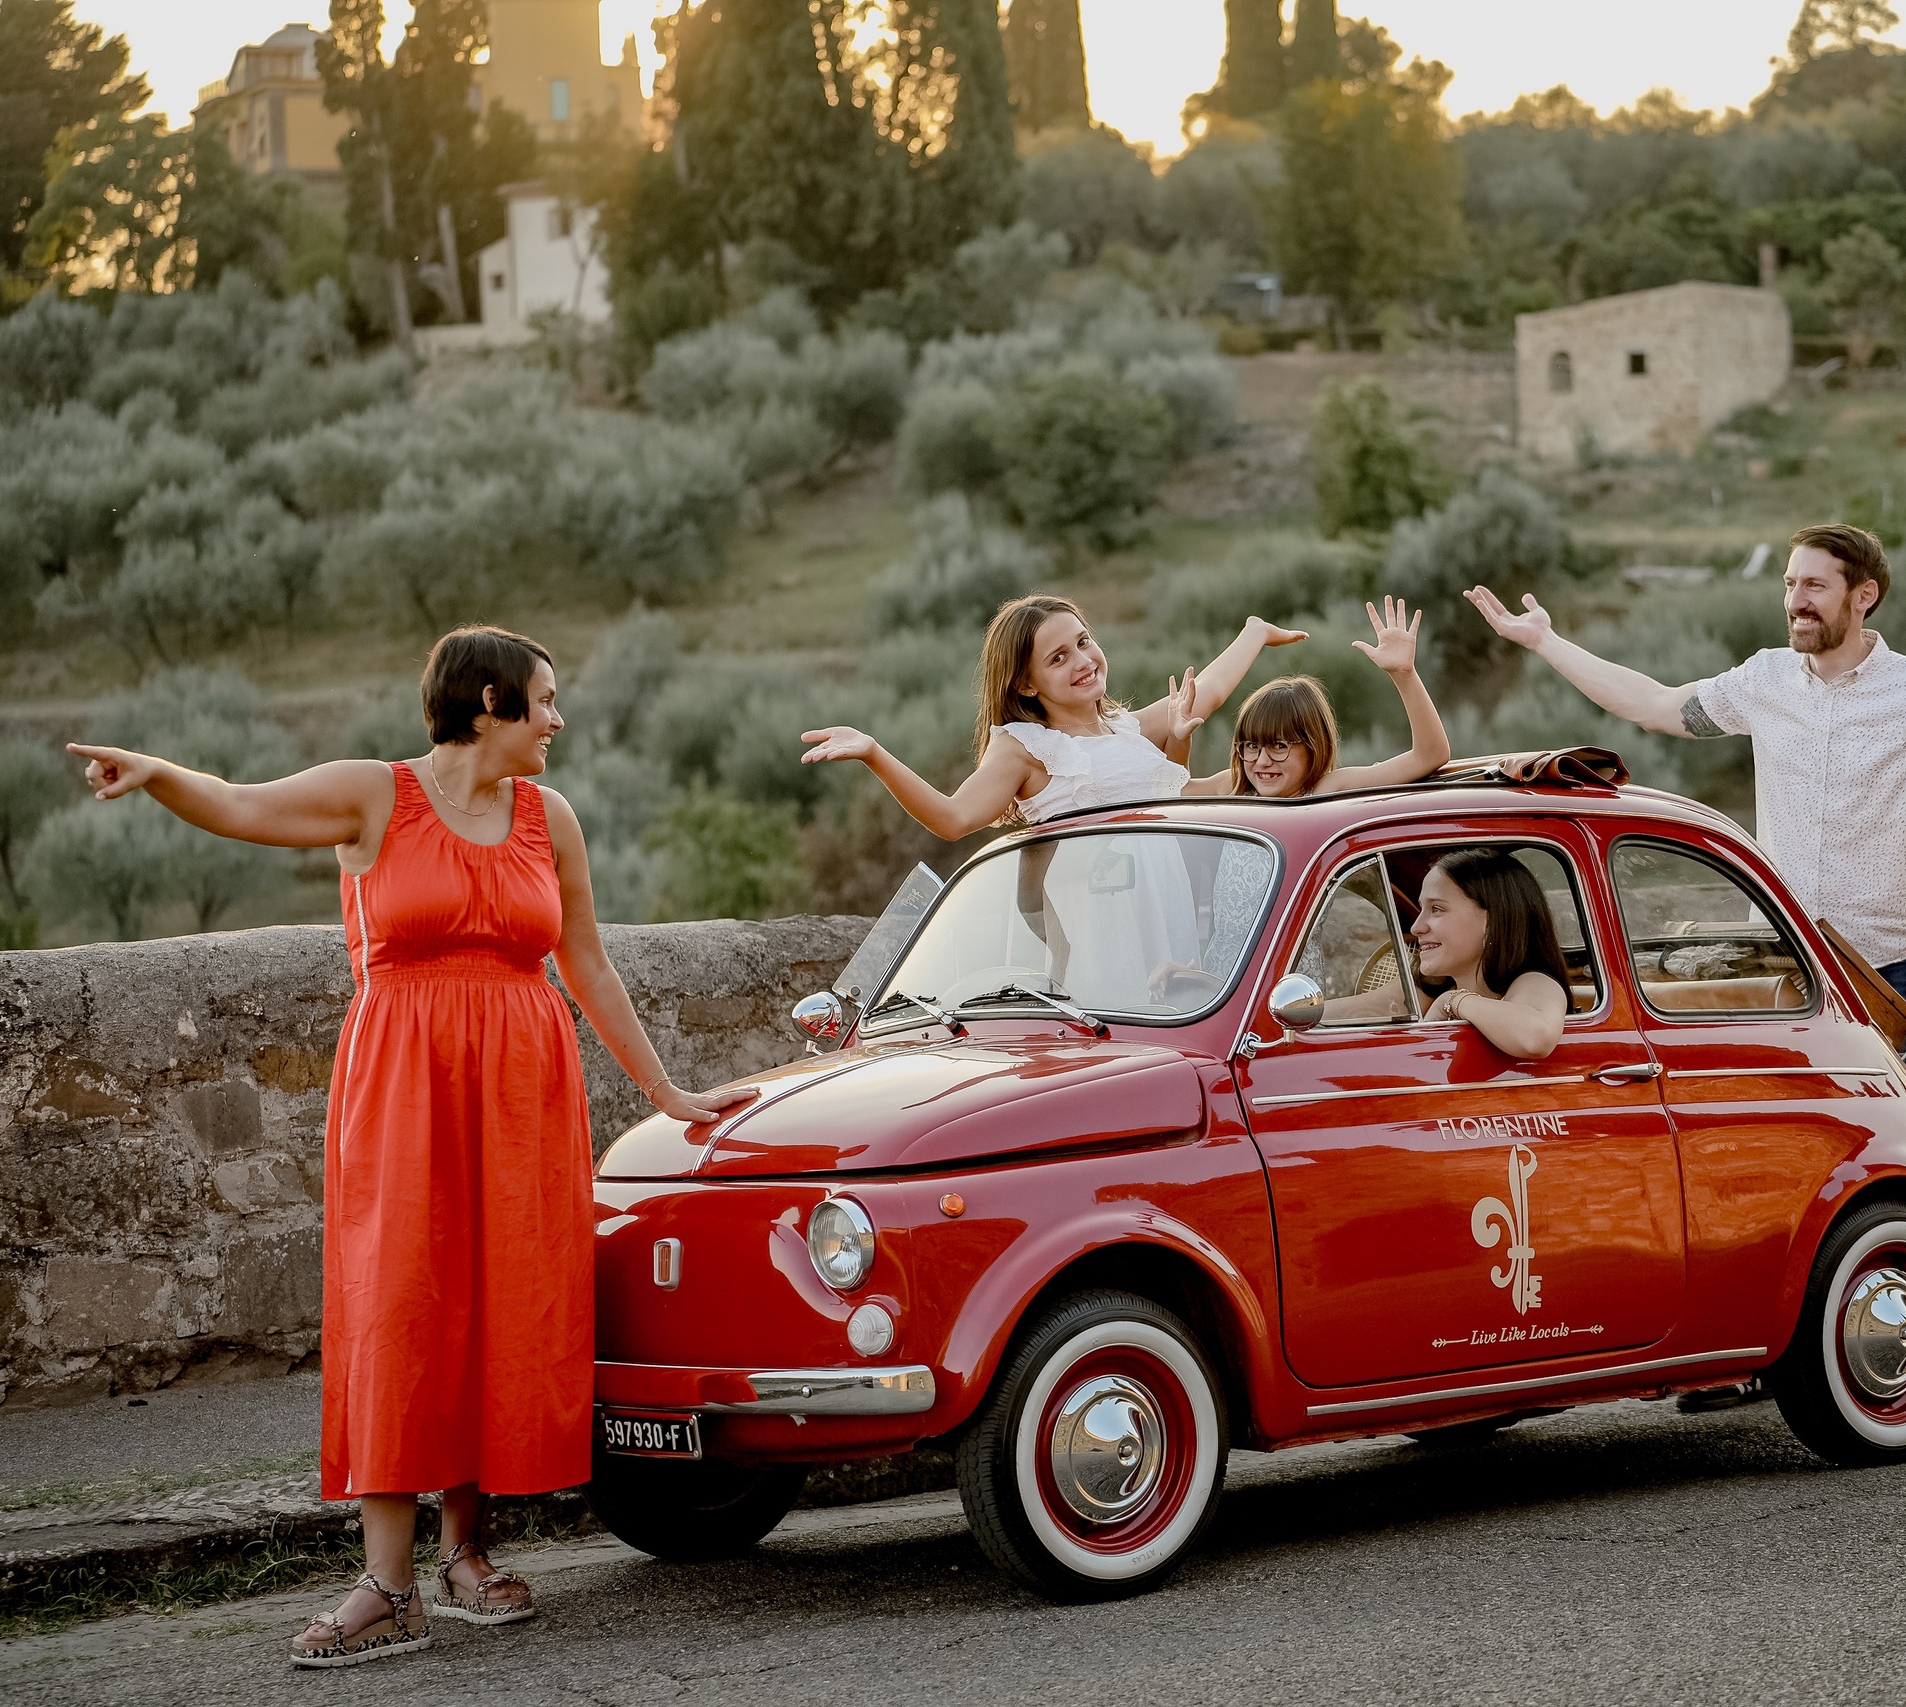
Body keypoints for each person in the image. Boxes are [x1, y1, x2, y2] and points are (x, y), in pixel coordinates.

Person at [67, 626, 757, 1669]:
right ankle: (383, 1582)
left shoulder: (548, 817)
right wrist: (162, 775)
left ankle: (463, 1554)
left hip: (524, 1093)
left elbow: (590, 965)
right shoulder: (373, 795)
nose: (560, 721)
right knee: (400, 1305)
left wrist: (665, 1089)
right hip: (404, 1086)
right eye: (547, 700)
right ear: (491, 701)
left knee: (494, 1306)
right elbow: (246, 805)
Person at [1465, 521, 1906, 1094]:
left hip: (1894, 966)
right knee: (1796, 1145)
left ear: (1864, 597)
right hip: (1786, 962)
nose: (1797, 599)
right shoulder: (1763, 679)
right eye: (1790, 583)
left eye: (1815, 586)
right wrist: (1546, 641)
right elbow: (1652, 706)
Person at [799, 595, 1304, 836]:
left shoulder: (1127, 730)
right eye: (1058, 658)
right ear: (1025, 683)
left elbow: (1208, 692)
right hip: (1094, 937)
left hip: (1171, 922)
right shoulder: (1023, 747)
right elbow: (952, 820)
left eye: (1083, 642)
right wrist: (873, 752)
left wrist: (1254, 633)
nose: (1084, 662)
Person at [1181, 597, 1451, 799]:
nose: (1262, 761)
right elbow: (1172, 791)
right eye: (1251, 746)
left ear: (1313, 746)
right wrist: (1180, 737)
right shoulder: (1236, 785)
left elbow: (1430, 755)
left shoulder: (1328, 789)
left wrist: (1404, 675)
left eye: (1278, 746)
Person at [1321, 848, 1571, 1060]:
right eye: (1421, 909)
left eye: (1437, 909)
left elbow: (1533, 1038)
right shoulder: (1430, 986)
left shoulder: (1534, 981)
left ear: (1493, 921)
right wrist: (1288, 1016)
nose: (1416, 927)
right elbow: (1358, 1010)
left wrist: (1453, 1001)